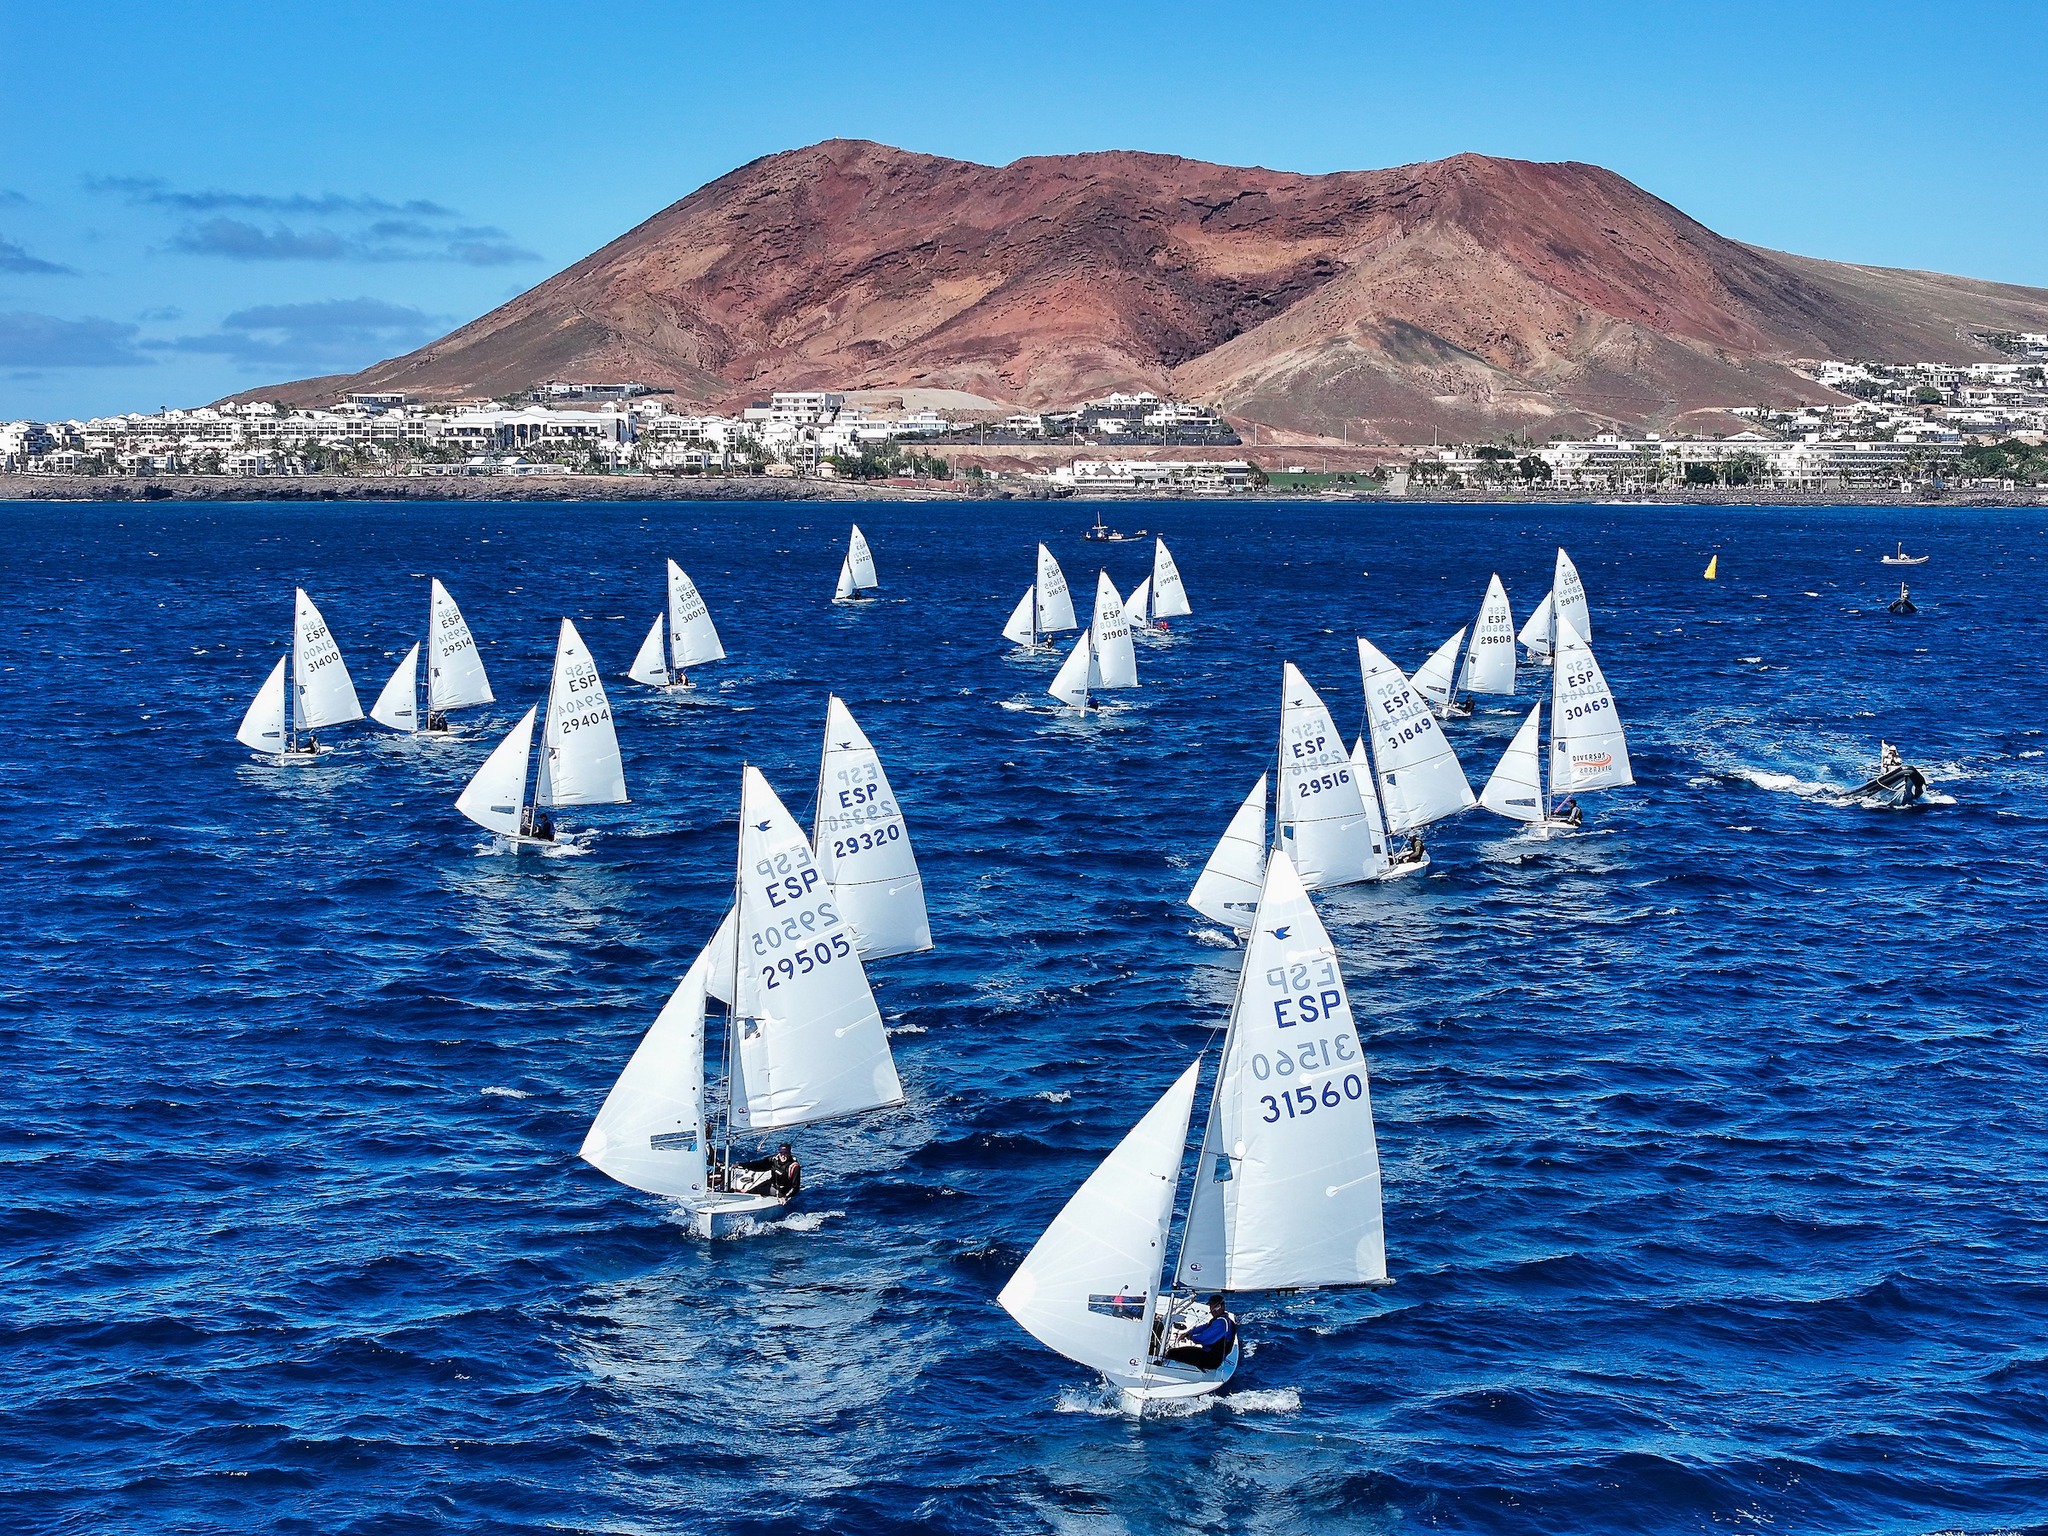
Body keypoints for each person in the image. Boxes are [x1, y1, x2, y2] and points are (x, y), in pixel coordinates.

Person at [1165, 1295, 1237, 1371]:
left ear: (1223, 1306)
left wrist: (1191, 1337)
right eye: (1212, 1307)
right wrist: (1189, 1332)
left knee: (1172, 1353)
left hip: (1211, 1360)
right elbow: (1205, 1327)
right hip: (1211, 1356)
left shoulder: (1221, 1324)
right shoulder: (1223, 1320)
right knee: (1183, 1352)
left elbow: (1203, 1338)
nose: (1213, 1310)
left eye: (1217, 1307)